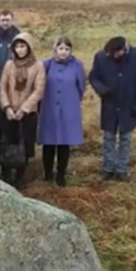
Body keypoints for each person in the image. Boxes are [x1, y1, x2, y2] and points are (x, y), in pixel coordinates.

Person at [89, 36, 136, 182]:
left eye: (115, 53)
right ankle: (108, 168)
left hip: (129, 105)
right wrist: (102, 90)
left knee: (126, 138)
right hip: (109, 105)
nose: (113, 56)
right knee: (108, 137)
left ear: (124, 49)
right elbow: (94, 77)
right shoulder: (101, 57)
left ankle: (122, 170)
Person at [0, 32, 46, 189]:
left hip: (27, 114)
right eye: (17, 46)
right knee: (7, 143)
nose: (20, 50)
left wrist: (24, 109)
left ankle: (20, 178)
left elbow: (38, 90)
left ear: (29, 47)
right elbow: (2, 87)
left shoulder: (38, 66)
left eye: (23, 46)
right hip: (9, 113)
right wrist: (7, 106)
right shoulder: (9, 65)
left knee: (24, 146)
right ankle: (5, 176)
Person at [37, 37, 86, 186]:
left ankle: (61, 174)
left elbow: (81, 86)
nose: (63, 52)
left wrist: (71, 100)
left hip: (68, 109)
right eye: (60, 49)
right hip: (49, 108)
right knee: (49, 142)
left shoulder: (77, 66)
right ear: (55, 50)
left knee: (64, 143)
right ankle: (47, 173)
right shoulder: (46, 65)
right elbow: (39, 84)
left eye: (66, 49)